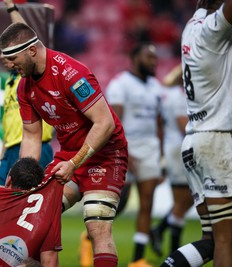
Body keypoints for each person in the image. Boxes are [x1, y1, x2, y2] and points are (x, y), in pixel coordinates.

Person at [0, 22, 128, 267]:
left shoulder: (71, 74)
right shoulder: (24, 88)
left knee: (96, 225)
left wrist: (75, 162)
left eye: (13, 58)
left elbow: (105, 123)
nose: (9, 64)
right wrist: (21, 174)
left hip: (106, 153)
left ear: (32, 51)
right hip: (68, 155)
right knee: (34, 219)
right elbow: (32, 136)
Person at [161, 1, 232, 267]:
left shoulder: (191, 26)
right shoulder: (213, 30)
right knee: (227, 241)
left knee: (212, 240)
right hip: (217, 139)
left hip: (194, 141)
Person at [105, 43, 163, 267]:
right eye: (149, 57)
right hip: (125, 147)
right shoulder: (121, 84)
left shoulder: (155, 86)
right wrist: (124, 151)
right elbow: (114, 121)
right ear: (135, 58)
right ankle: (91, 237)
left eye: (155, 58)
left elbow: (159, 123)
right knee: (120, 203)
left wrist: (159, 155)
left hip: (149, 148)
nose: (154, 62)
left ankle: (138, 259)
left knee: (147, 203)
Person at [0, 0, 54, 186]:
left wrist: (11, 7)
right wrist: (4, 147)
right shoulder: (11, 82)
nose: (3, 56)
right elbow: (9, 118)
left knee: (28, 196)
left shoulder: (29, 76)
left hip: (36, 145)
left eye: (10, 53)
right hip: (11, 148)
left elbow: (24, 32)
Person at [150, 64, 194, 257]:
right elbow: (182, 125)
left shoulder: (167, 95)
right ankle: (165, 238)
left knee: (184, 200)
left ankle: (164, 238)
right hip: (179, 149)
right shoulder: (178, 97)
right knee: (185, 200)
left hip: (173, 148)